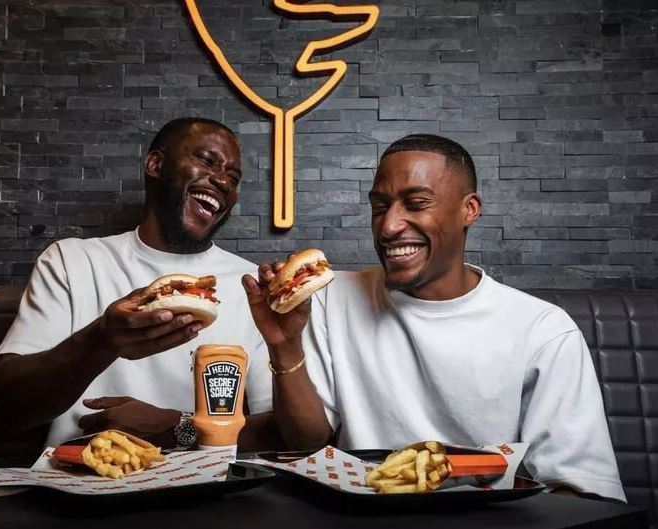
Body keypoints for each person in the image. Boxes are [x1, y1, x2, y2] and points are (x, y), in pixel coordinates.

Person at [242, 134, 625, 501]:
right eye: (379, 207)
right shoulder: (330, 298)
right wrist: (285, 345)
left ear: (468, 210)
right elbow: (307, 444)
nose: (389, 226)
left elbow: (578, 486)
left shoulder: (542, 329)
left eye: (416, 203)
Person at [0, 117, 278, 450]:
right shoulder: (72, 261)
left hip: (205, 491)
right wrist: (101, 341)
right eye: (207, 160)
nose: (223, 182)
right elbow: (10, 405)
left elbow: (278, 430)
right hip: (79, 486)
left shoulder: (251, 287)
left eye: (233, 177)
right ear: (155, 164)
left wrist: (177, 427)